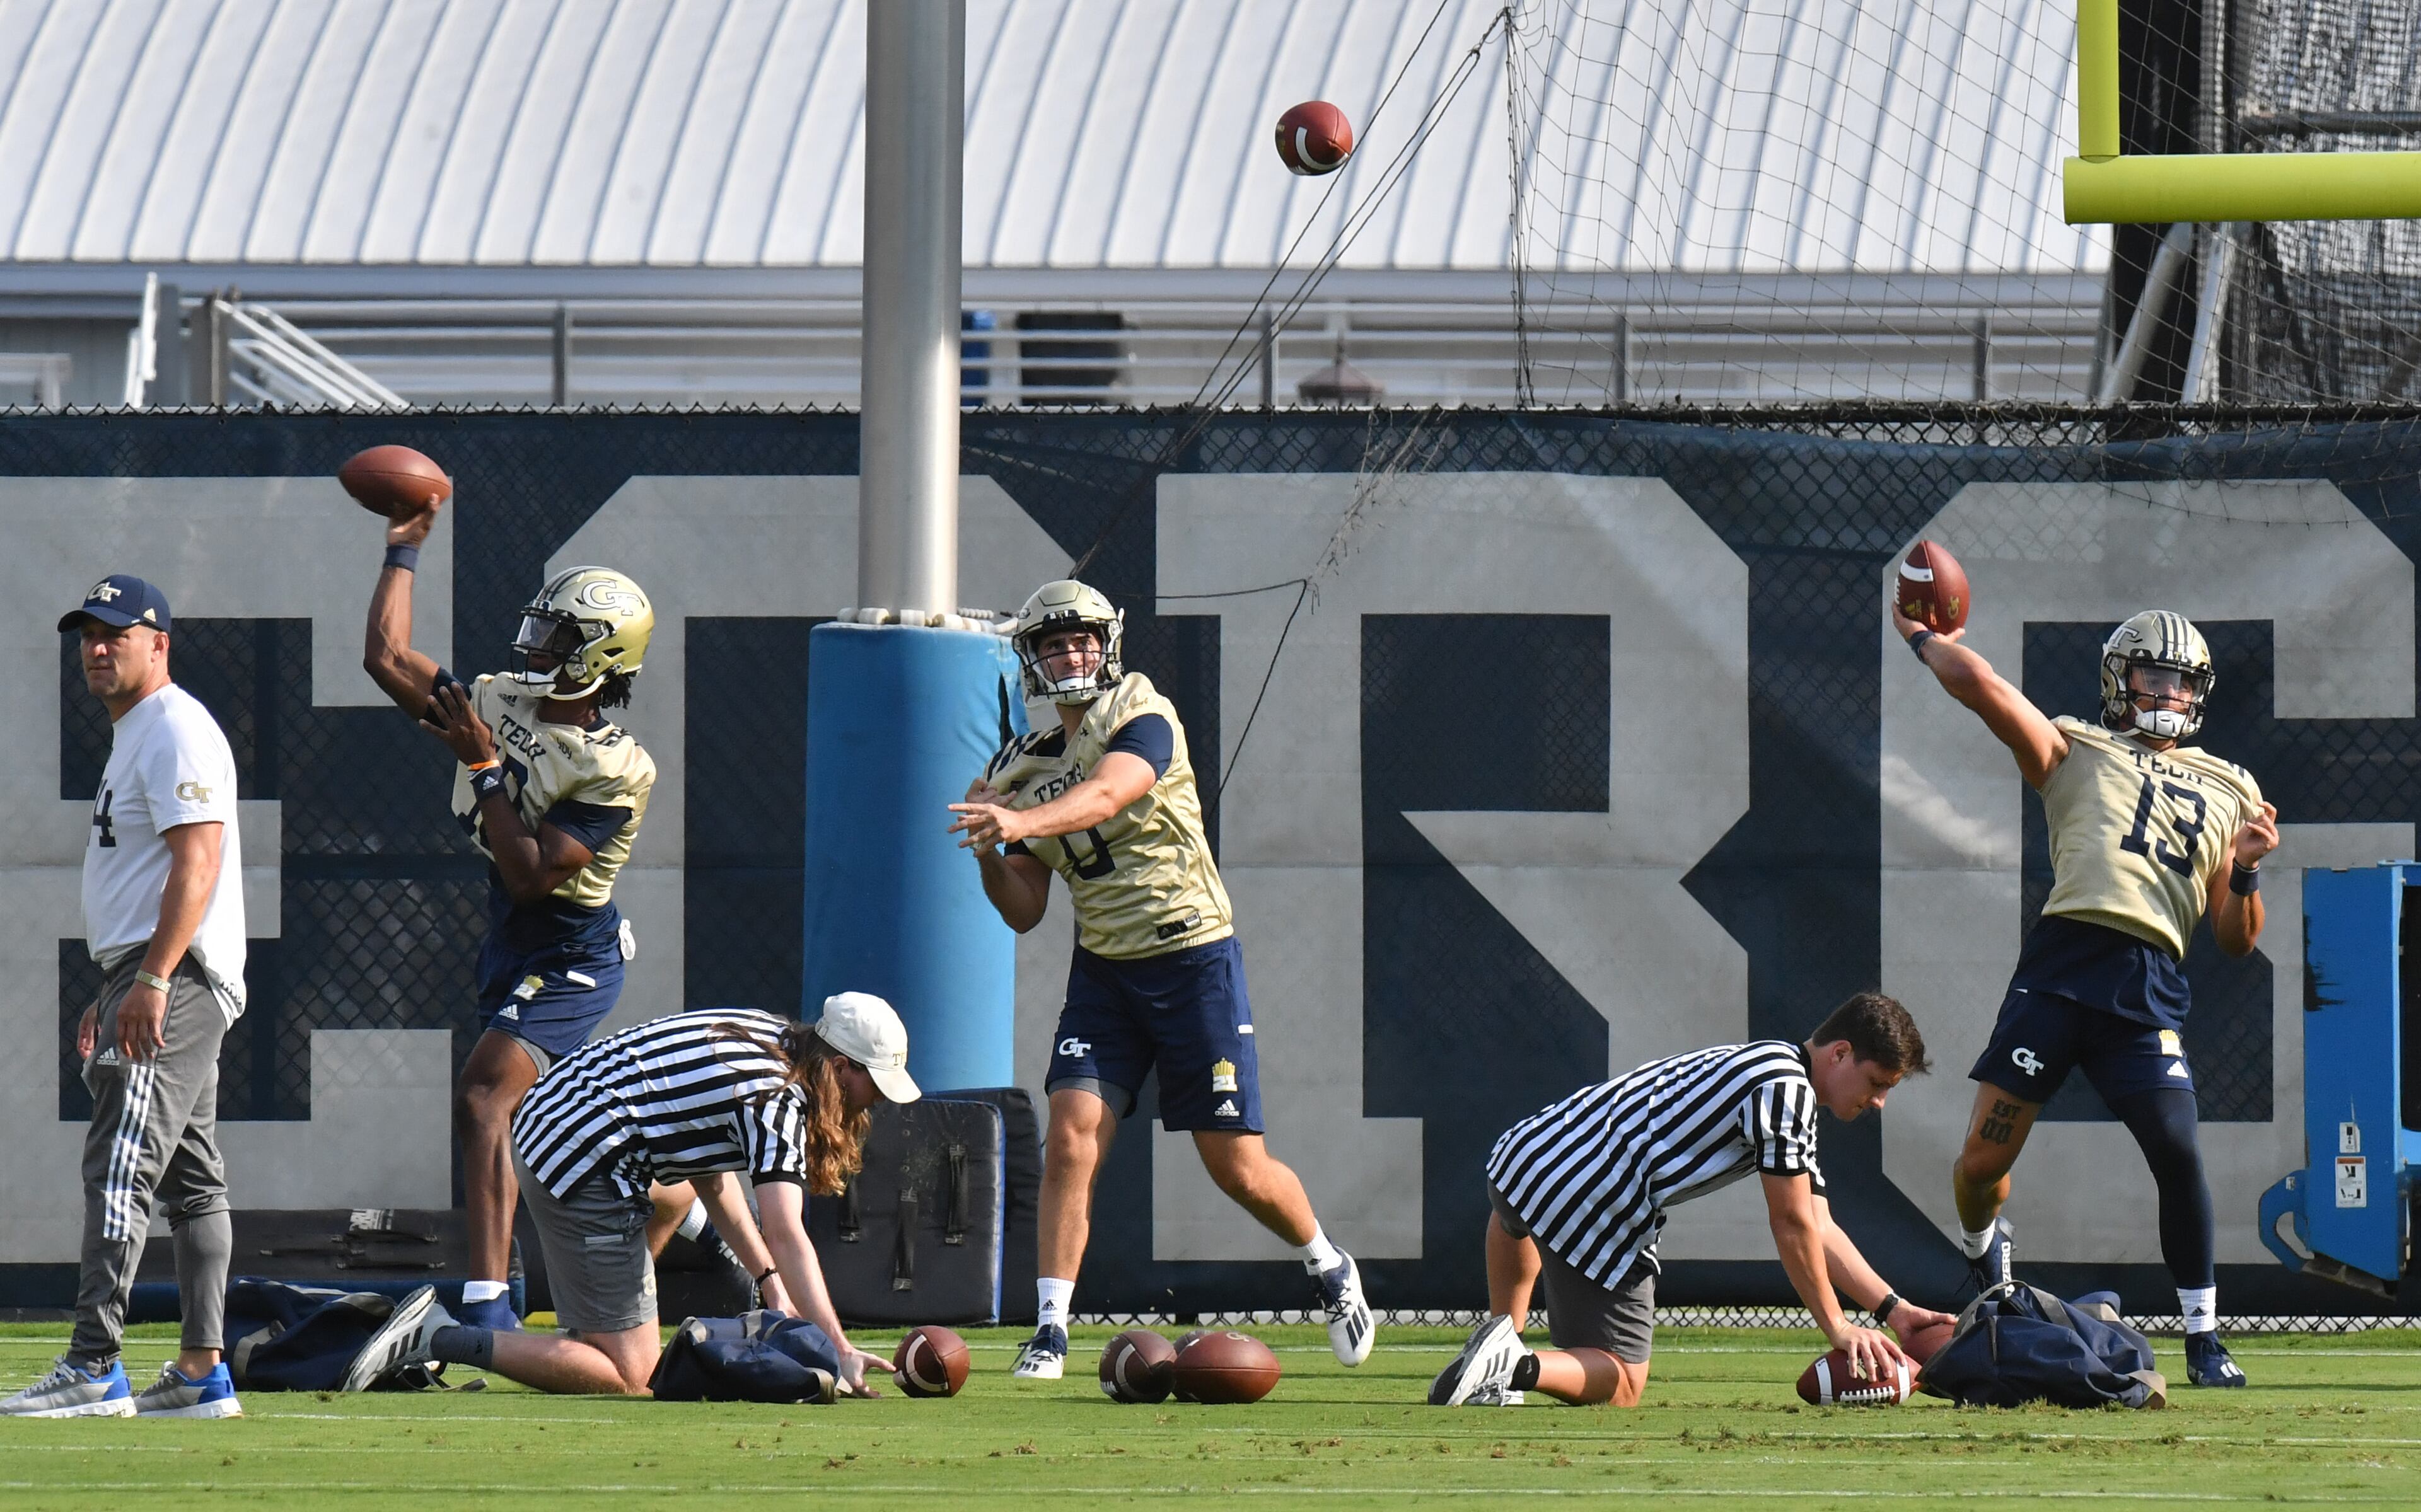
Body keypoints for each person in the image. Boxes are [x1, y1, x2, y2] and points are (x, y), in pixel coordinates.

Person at [948, 579, 1374, 1379]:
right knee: (1071, 1132)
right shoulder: (1018, 763)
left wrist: (1022, 820)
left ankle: (1326, 1261)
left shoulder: (1143, 709)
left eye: (1081, 639)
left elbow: (1111, 790)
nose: (1070, 652)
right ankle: (1051, 1327)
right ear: (1031, 658)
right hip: (1105, 969)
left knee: (1235, 1165)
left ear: (1106, 644)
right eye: (1053, 642)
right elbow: (1024, 909)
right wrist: (986, 847)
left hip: (1191, 958)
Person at [1895, 603, 2277, 1388]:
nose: (2167, 691)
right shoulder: (2078, 745)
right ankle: (1981, 1247)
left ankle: (2204, 1336)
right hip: (2063, 969)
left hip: (2147, 985)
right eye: (2153, 673)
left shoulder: (2231, 784)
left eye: (2182, 679)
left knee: (2179, 1149)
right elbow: (1987, 689)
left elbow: (2237, 937)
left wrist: (2244, 868)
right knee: (1981, 1162)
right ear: (2118, 677)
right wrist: (1925, 637)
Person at [362, 497, 657, 1332]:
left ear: (600, 657)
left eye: (561, 637)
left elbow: (533, 874)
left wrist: (485, 766)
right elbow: (385, 656)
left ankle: (488, 1302)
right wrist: (403, 549)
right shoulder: (505, 701)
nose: (538, 646)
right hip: (510, 938)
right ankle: (692, 1211)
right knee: (563, 1121)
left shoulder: (616, 768)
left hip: (572, 953)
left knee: (483, 1099)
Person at [352, 993, 920, 1396]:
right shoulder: (776, 1100)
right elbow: (787, 1230)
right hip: (578, 1158)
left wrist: (770, 1285)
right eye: (873, 1082)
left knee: (672, 1198)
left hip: (567, 1127)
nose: (875, 1100)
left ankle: (599, 1323)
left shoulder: (769, 1033)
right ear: (840, 1067)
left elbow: (710, 1176)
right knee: (631, 1376)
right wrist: (837, 1345)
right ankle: (439, 1337)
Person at [1431, 993, 1952, 1407]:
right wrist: (1837, 1325)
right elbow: (1792, 1223)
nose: (1879, 1101)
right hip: (1596, 1192)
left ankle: (1499, 1341)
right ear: (1840, 1053)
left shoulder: (1771, 1064)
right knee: (1625, 1380)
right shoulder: (1787, 1092)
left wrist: (1894, 1310)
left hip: (1530, 1149)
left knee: (1515, 1217)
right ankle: (1513, 1366)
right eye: (1877, 1082)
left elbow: (1819, 1223)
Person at [3, 577, 248, 1419]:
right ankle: (200, 1371)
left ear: (160, 642)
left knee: (120, 1166)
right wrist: (117, 981)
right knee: (193, 1179)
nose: (99, 647)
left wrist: (148, 977)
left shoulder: (176, 725)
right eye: (88, 635)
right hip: (149, 972)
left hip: (170, 976)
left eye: (117, 632)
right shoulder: (140, 730)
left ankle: (94, 1364)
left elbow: (198, 863)